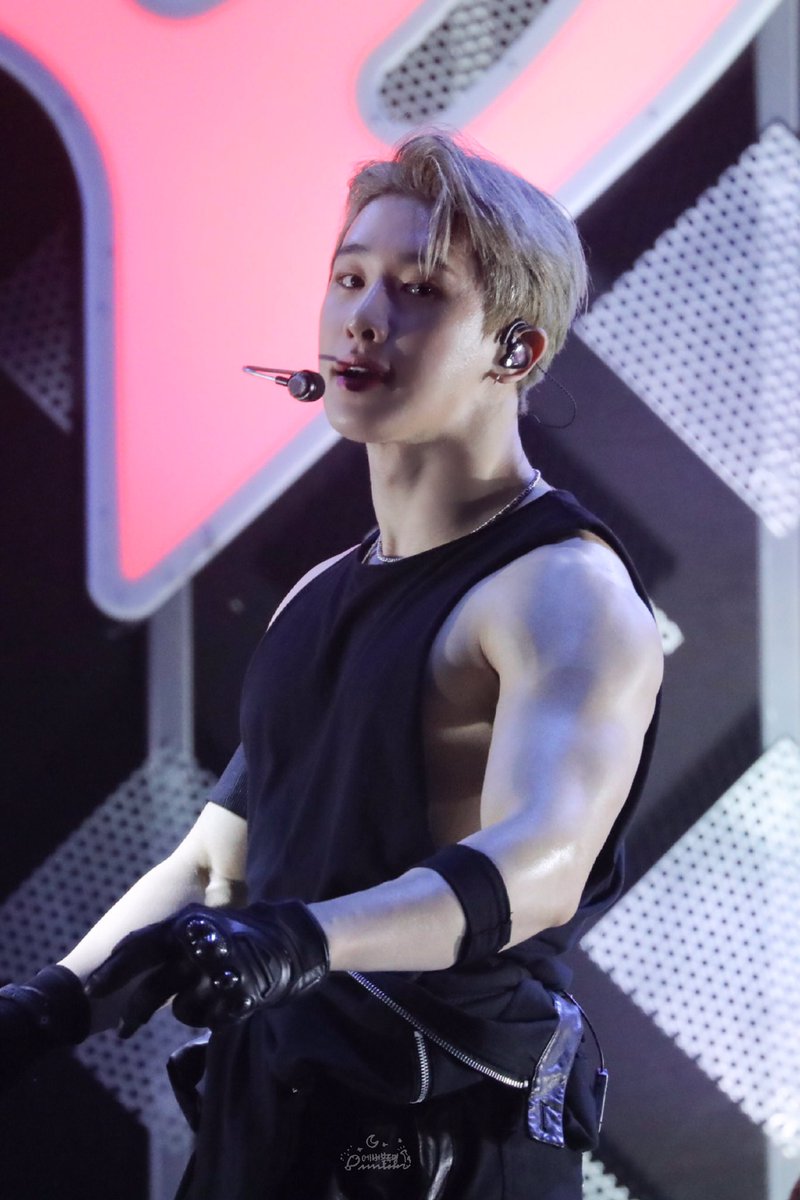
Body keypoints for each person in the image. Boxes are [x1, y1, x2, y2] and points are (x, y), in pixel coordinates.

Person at [0, 132, 663, 1198]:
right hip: (269, 1104)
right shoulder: (316, 594)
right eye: (349, 278)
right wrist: (51, 1006)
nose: (363, 316)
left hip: (439, 1130)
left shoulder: (560, 589)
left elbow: (539, 867)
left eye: (418, 290)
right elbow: (219, 864)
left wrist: (295, 941)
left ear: (515, 349)